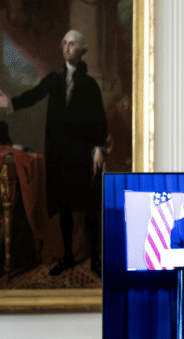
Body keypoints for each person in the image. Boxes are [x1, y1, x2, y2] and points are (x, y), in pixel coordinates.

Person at [0, 30, 107, 276]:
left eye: (73, 45)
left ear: (82, 51)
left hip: (83, 154)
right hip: (60, 154)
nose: (68, 48)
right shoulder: (54, 79)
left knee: (90, 208)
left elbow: (98, 119)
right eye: (65, 44)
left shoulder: (90, 85)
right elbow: (34, 95)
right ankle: (68, 256)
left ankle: (96, 261)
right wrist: (11, 103)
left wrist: (99, 148)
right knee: (65, 206)